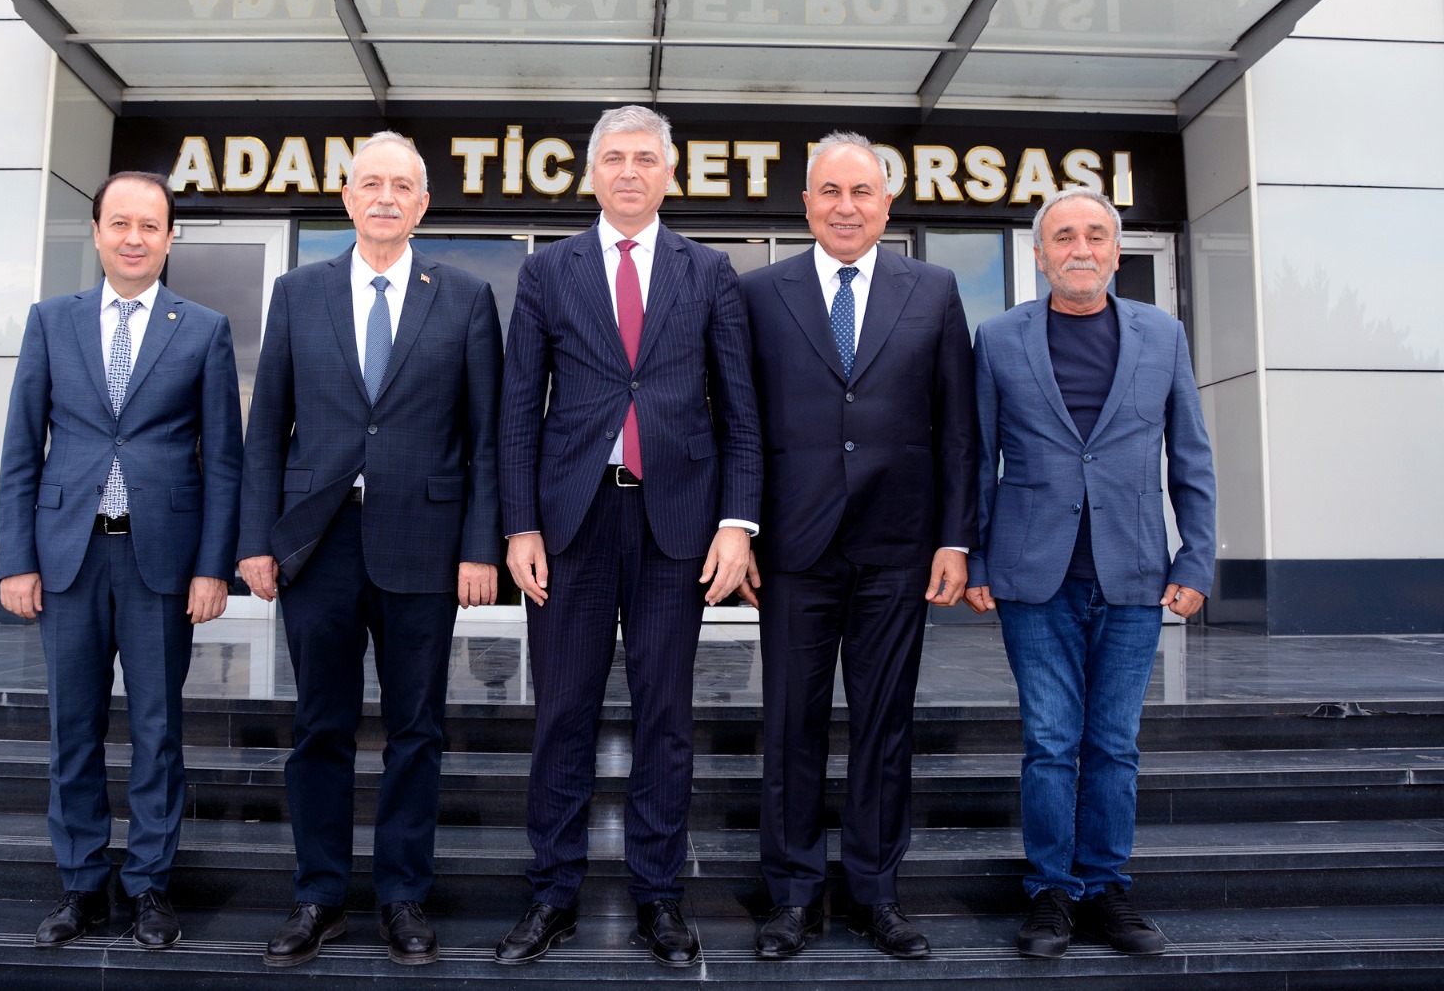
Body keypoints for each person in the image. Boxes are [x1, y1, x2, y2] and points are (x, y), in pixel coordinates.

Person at [495, 104, 762, 968]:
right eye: (614, 158)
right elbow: (517, 411)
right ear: (592, 173)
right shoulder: (548, 271)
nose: (630, 172)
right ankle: (552, 893)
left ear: (670, 174)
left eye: (646, 158)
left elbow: (741, 413)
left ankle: (659, 895)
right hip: (572, 524)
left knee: (666, 717)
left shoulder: (709, 271)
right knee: (561, 714)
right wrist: (520, 524)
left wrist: (737, 523)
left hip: (676, 523)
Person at [237, 132, 503, 967]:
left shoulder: (465, 297)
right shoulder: (297, 292)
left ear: (423, 204)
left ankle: (402, 896)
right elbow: (265, 428)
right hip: (317, 543)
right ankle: (318, 895)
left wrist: (480, 547)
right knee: (320, 725)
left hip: (426, 542)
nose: (385, 197)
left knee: (416, 729)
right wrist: (255, 541)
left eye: (402, 185)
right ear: (347, 198)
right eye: (370, 183)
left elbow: (485, 439)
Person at [740, 132, 979, 961]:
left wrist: (956, 538)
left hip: (899, 547)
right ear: (807, 203)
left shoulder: (934, 289)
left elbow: (958, 427)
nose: (847, 207)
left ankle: (877, 894)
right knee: (790, 727)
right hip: (793, 550)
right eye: (831, 192)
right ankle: (794, 897)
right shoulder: (759, 292)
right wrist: (742, 531)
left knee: (884, 725)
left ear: (886, 204)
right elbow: (741, 425)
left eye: (862, 191)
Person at [964, 186, 1216, 959]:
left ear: (1116, 250)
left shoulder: (1162, 334)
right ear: (1040, 255)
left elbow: (1192, 454)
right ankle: (1050, 892)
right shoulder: (999, 338)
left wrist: (1196, 556)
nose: (1082, 248)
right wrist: (975, 555)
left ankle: (1105, 887)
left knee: (1113, 742)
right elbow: (976, 458)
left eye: (1096, 235)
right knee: (1048, 741)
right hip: (1031, 576)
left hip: (1134, 573)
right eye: (1065, 236)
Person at [0, 171, 243, 951]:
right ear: (97, 232)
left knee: (157, 729)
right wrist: (16, 560)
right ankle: (81, 886)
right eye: (120, 223)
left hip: (160, 561)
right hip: (66, 558)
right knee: (71, 728)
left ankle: (148, 887)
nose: (135, 238)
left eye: (150, 226)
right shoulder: (51, 321)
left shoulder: (203, 329)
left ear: (170, 238)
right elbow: (21, 451)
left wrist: (213, 567)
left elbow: (224, 462)